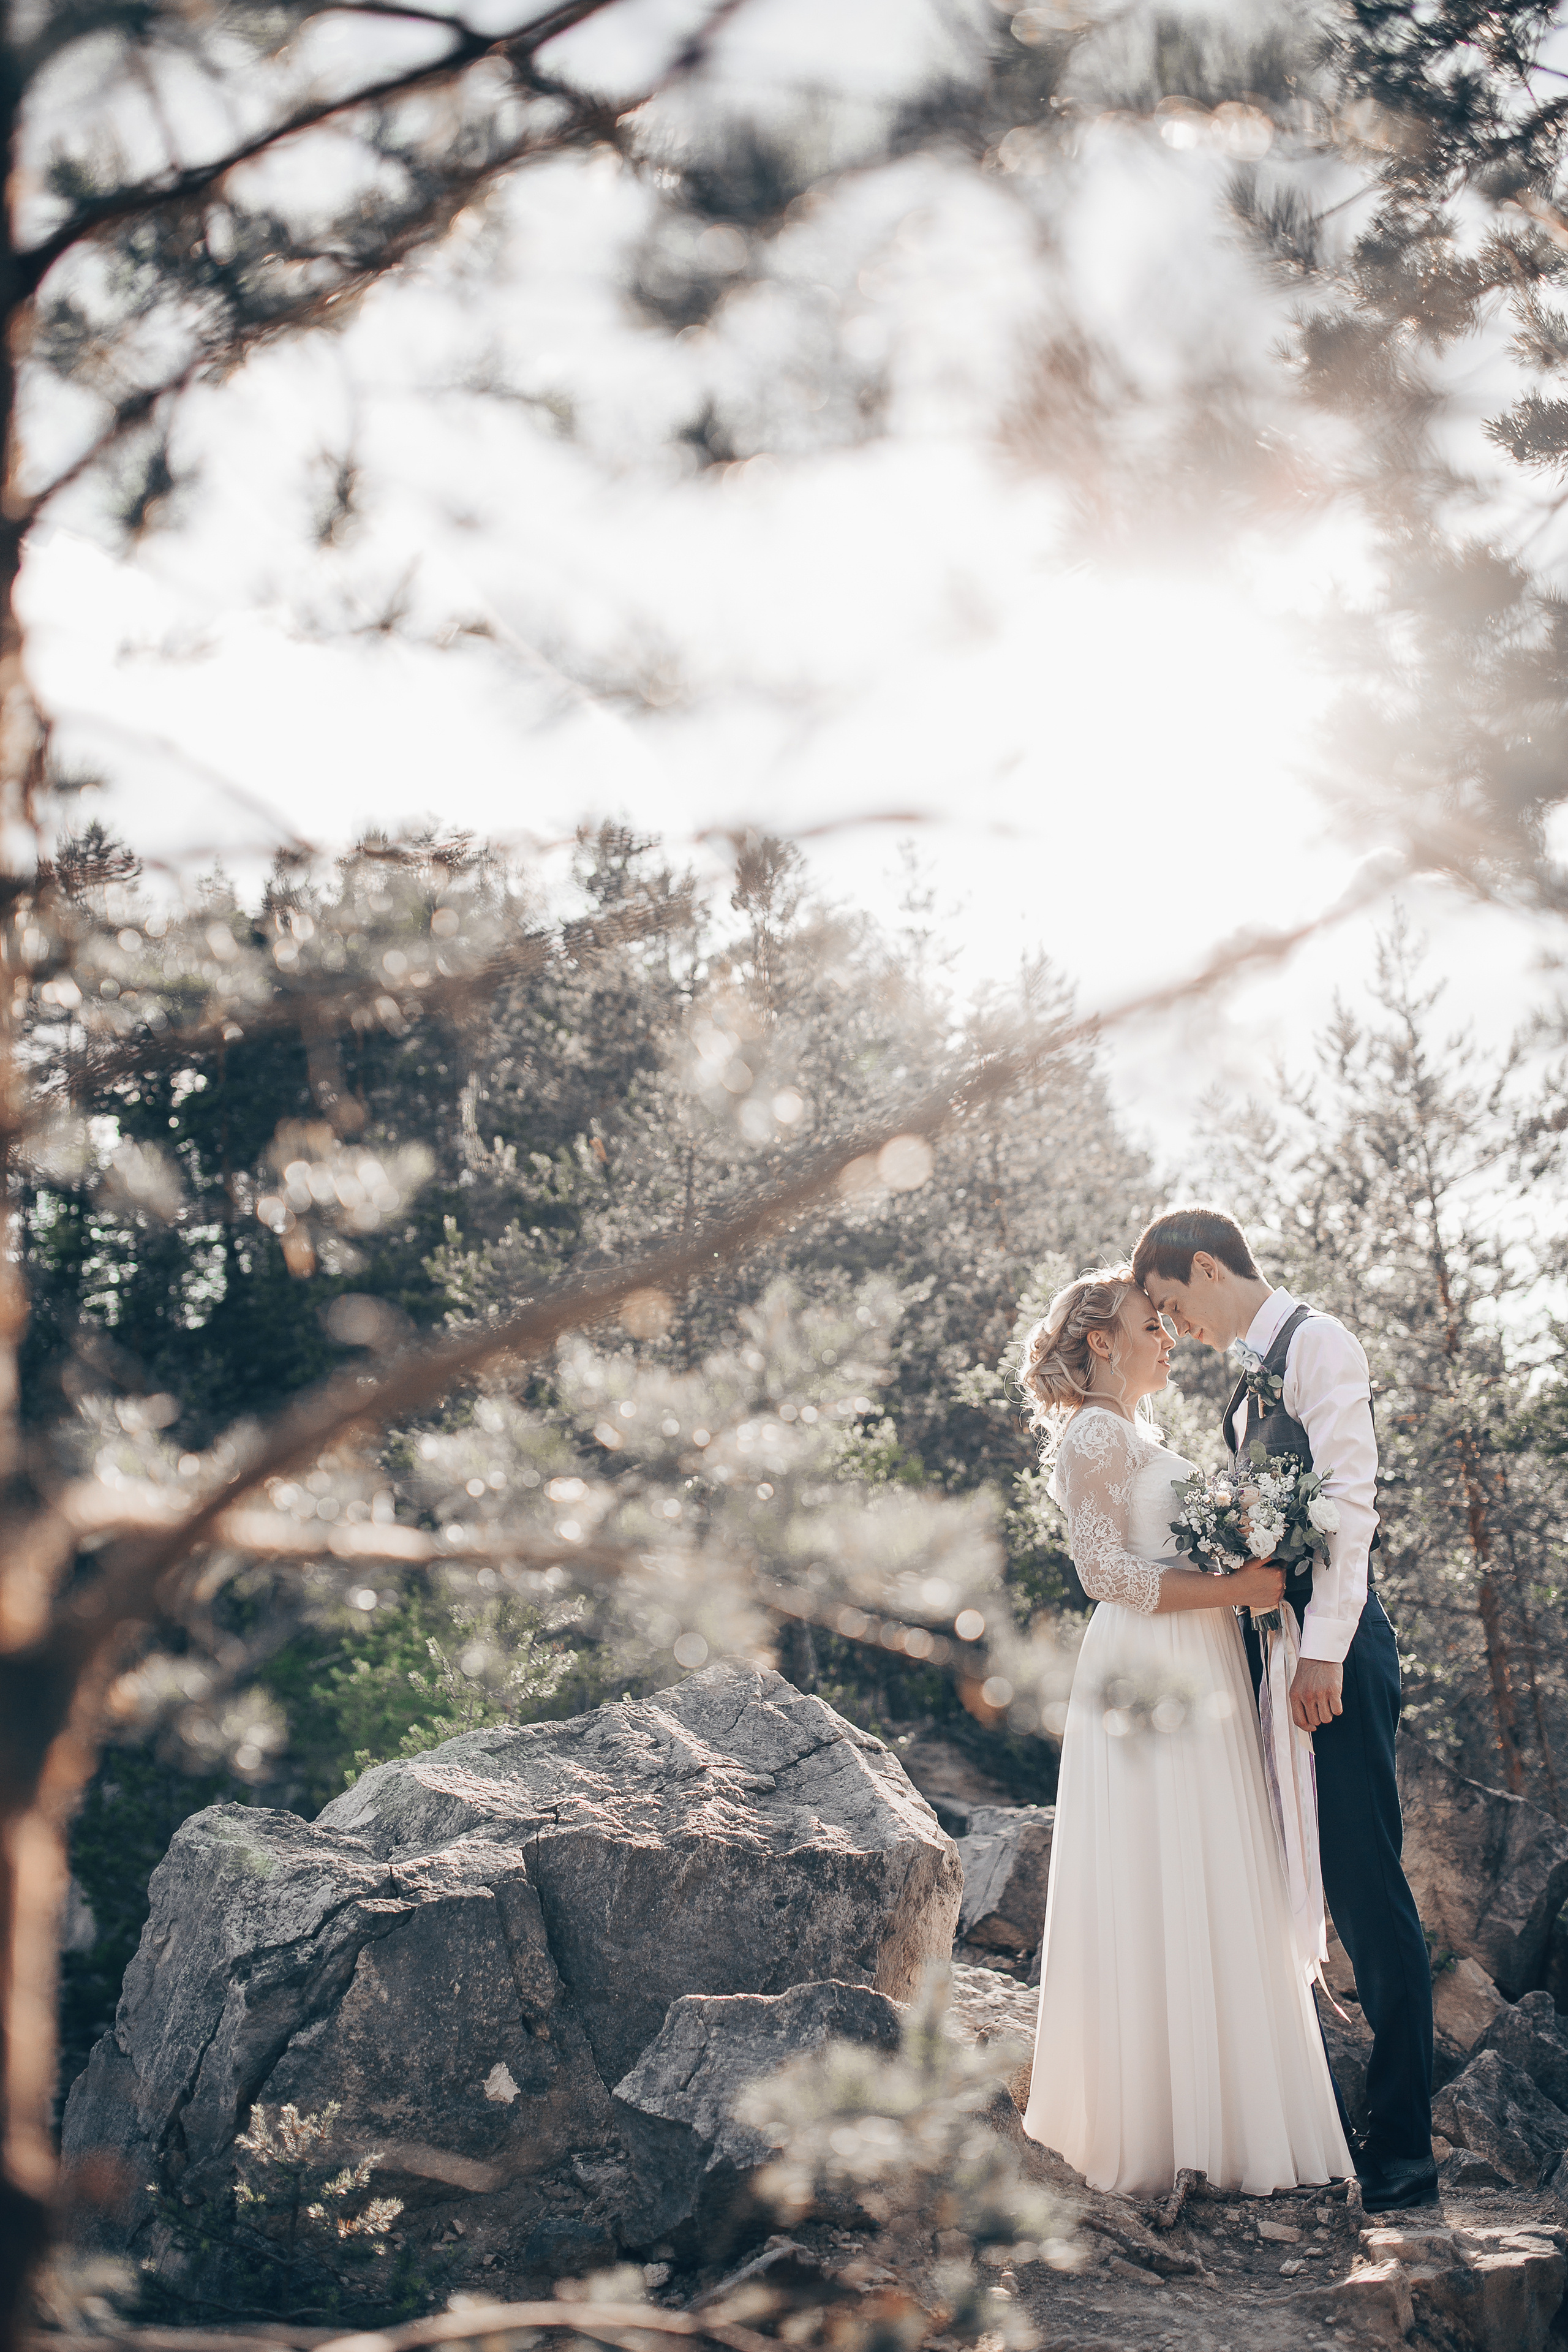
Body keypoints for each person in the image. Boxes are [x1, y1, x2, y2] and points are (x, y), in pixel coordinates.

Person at [1019, 1265, 1352, 2199]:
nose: (1169, 1337)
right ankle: (1154, 2128)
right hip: (1146, 1666)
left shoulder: (1137, 1432)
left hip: (1198, 1657)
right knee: (1156, 1871)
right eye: (1148, 1324)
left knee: (1208, 1866)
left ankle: (1225, 2117)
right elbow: (1104, 1575)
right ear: (1101, 1342)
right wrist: (1241, 1589)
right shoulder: (1093, 1432)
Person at [1134, 1207, 1436, 2215]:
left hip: (1332, 1655)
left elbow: (1351, 1510)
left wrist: (1324, 1652)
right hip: (1279, 1655)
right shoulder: (1246, 1385)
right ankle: (1325, 2122)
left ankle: (1404, 2156)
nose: (1178, 1329)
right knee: (1301, 1874)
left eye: (1176, 1305)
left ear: (1209, 1268)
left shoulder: (1321, 1344)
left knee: (1366, 1889)